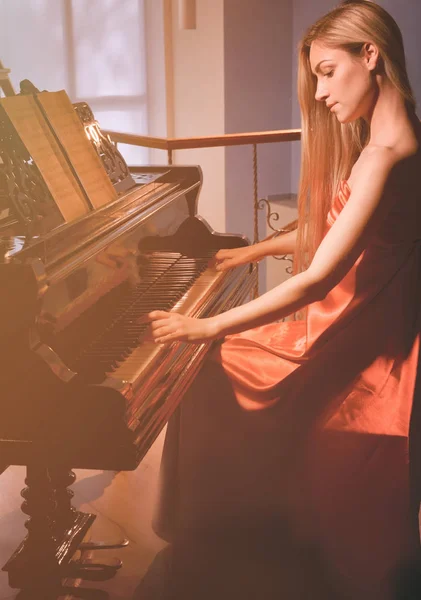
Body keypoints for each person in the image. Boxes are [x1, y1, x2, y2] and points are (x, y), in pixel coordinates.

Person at [140, 1, 421, 598]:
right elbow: (333, 230)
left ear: (369, 55)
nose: (319, 93)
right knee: (214, 358)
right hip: (349, 322)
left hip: (355, 341)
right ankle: (244, 526)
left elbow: (316, 282)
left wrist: (206, 328)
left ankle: (230, 540)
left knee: (209, 362)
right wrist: (250, 253)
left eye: (325, 71)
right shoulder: (386, 141)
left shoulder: (387, 155)